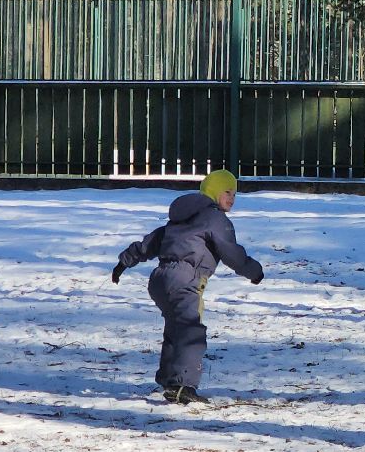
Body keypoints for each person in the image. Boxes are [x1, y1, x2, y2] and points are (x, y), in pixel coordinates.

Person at [113, 170, 264, 404]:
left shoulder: (183, 216)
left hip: (160, 279)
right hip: (186, 279)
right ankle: (183, 385)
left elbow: (153, 241)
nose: (232, 198)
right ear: (213, 191)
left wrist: (125, 261)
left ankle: (169, 380)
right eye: (227, 192)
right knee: (191, 332)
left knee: (177, 329)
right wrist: (254, 271)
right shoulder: (215, 219)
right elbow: (230, 251)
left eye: (234, 193)